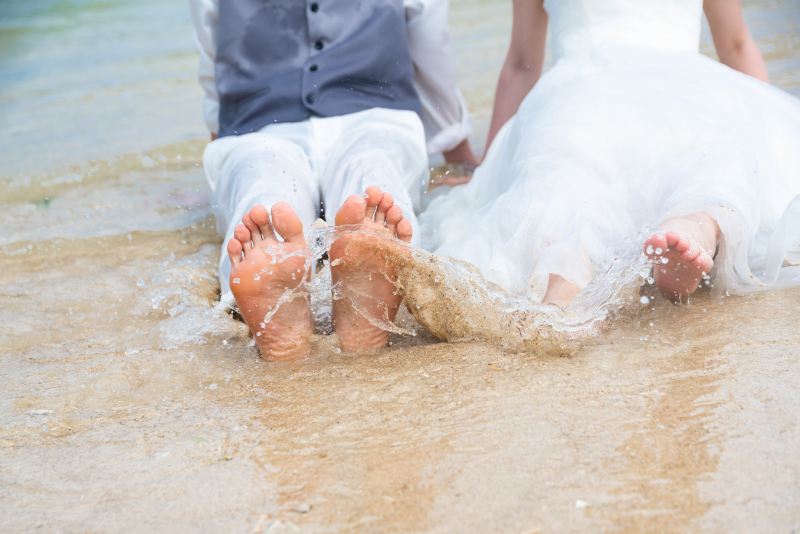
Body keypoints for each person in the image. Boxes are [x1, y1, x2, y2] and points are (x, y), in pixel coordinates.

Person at [419, 0, 800, 307]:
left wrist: (488, 165)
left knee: (563, 163)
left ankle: (569, 278)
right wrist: (765, 127)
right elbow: (735, 44)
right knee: (712, 148)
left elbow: (522, 63)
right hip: (686, 86)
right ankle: (694, 224)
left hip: (581, 90)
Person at [188, 0, 478, 358]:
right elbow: (432, 48)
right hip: (373, 112)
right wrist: (460, 156)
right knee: (375, 174)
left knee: (262, 186)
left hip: (260, 122)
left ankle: (283, 310)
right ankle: (365, 286)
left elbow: (212, 69)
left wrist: (222, 181)